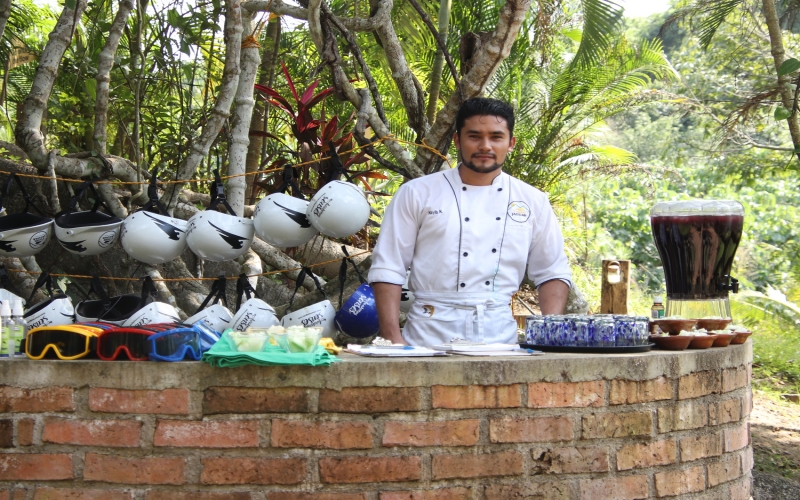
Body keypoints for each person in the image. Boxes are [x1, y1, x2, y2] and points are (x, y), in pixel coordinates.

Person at [368, 98, 572, 346]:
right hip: (427, 336)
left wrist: (550, 337)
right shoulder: (417, 193)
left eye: (496, 137)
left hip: (499, 338)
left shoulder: (533, 201)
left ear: (511, 143)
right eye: (474, 136)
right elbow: (389, 266)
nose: (485, 146)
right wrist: (392, 338)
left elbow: (552, 271)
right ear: (457, 140)